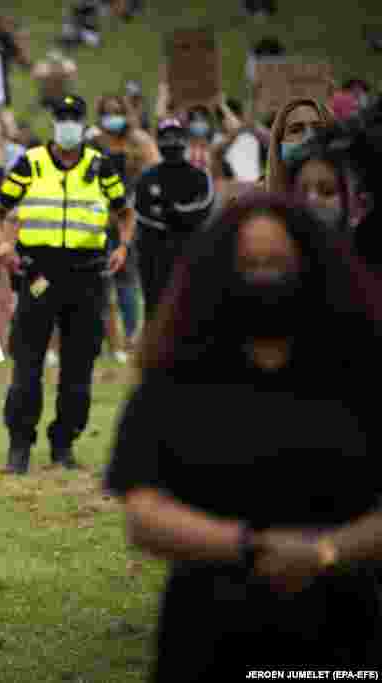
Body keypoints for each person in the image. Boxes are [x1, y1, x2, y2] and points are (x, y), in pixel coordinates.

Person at [106, 192, 382, 681]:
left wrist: (325, 553)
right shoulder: (175, 381)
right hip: (208, 637)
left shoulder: (360, 378)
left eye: (277, 263)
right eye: (250, 264)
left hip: (341, 636)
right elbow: (143, 512)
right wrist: (249, 548)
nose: (264, 277)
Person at [0, 94, 134, 473]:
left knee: (79, 366)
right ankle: (19, 446)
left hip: (86, 276)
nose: (68, 123)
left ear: (83, 123)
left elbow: (126, 213)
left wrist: (124, 247)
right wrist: (3, 243)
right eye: (62, 117)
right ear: (54, 123)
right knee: (28, 362)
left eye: (74, 117)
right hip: (39, 275)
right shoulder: (31, 163)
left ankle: (64, 444)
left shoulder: (100, 166)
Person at [88, 94, 161, 361]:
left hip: (127, 219)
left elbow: (153, 172)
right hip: (97, 221)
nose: (112, 116)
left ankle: (131, 338)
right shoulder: (93, 142)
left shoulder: (139, 141)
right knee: (101, 283)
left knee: (126, 281)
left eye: (117, 111)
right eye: (107, 112)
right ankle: (112, 343)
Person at [134, 118, 216, 314]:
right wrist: (175, 216)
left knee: (190, 307)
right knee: (155, 309)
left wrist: (171, 211)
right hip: (154, 255)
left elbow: (203, 208)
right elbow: (141, 212)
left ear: (184, 140)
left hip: (189, 252)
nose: (171, 142)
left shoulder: (199, 176)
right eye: (166, 137)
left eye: (176, 137)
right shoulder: (147, 177)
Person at [266, 97, 335, 194]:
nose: (309, 136)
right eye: (296, 130)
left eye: (318, 128)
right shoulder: (258, 202)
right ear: (279, 142)